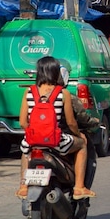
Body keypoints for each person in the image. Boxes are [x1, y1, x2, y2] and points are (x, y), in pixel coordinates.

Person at [16, 56, 94, 200]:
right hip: (56, 141)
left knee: (26, 149)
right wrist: (78, 135)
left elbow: (22, 122)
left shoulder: (28, 93)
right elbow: (71, 122)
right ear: (56, 73)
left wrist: (33, 133)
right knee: (82, 144)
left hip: (34, 140)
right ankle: (79, 187)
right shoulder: (63, 94)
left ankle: (23, 187)